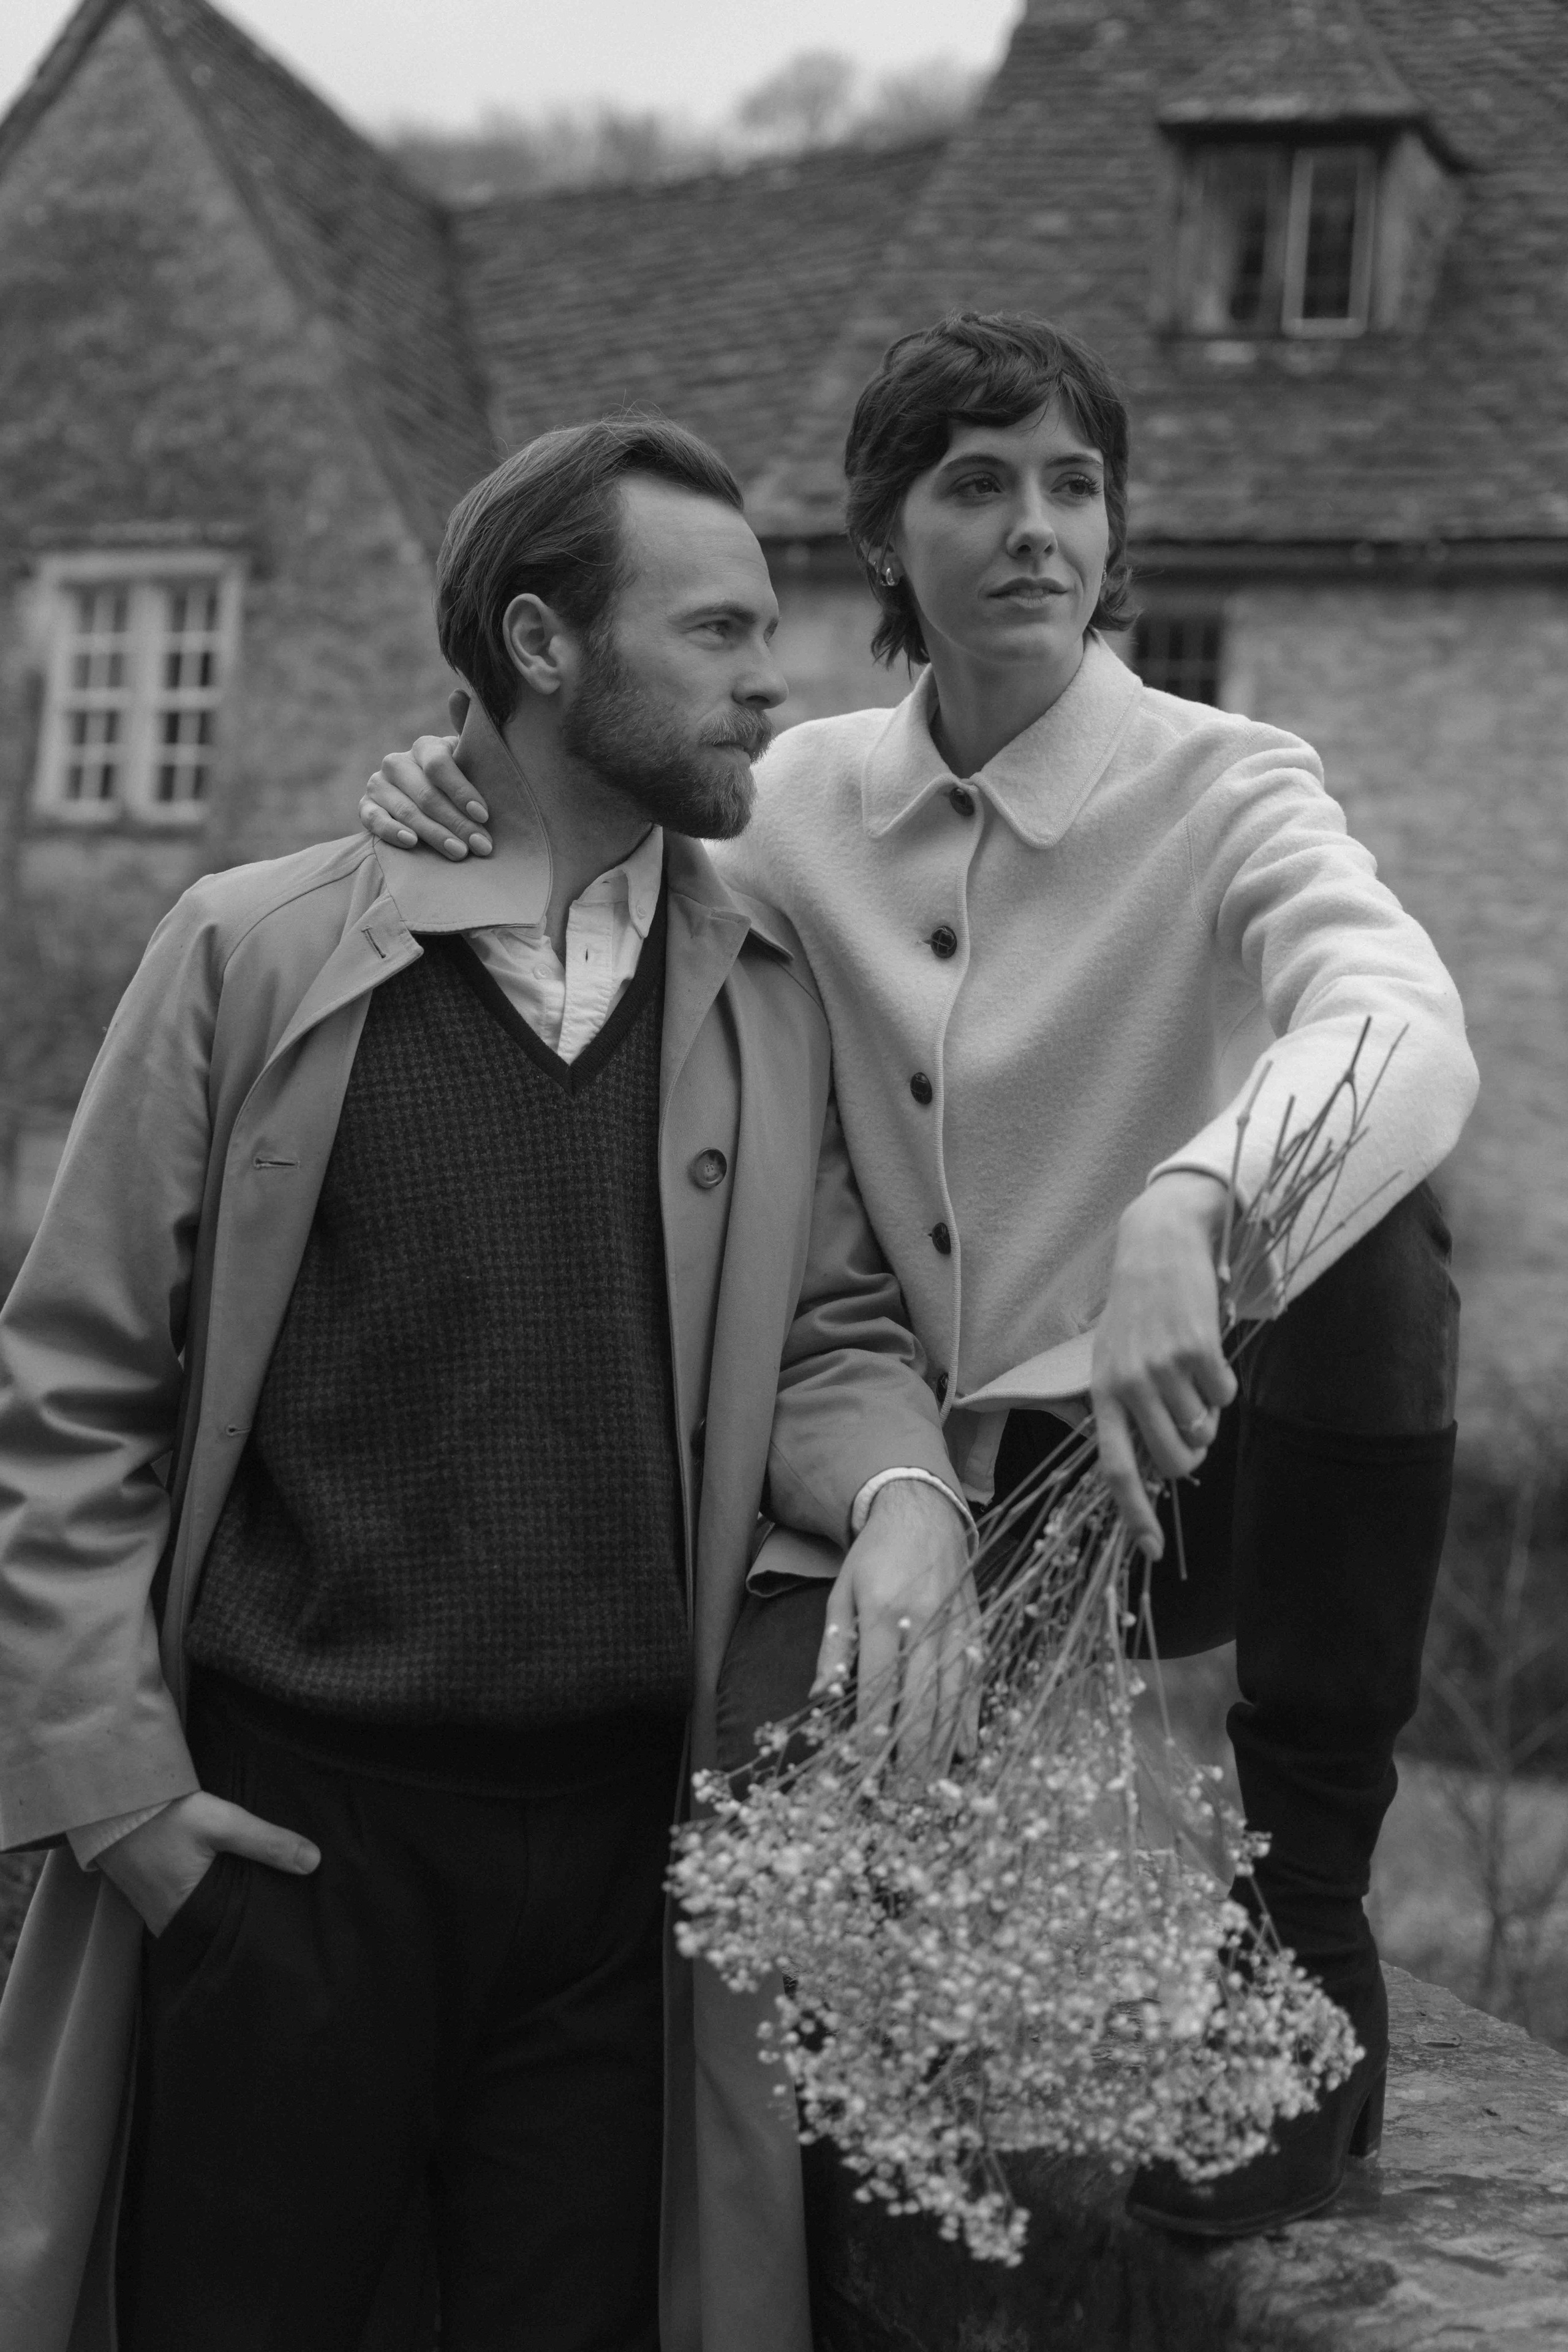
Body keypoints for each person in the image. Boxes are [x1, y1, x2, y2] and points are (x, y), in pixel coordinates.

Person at [361, 314, 1479, 2241]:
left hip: (1192, 1457)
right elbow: (589, 855)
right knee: (762, 1925)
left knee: (1386, 1232)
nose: (1037, 530)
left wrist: (1191, 1206)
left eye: (1074, 486)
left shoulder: (1230, 783)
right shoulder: (789, 802)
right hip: (909, 1490)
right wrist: (448, 783)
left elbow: (1405, 1023)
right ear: (887, 538)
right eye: (978, 485)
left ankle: (1304, 1926)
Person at [0, 418, 973, 2352]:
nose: (775, 681)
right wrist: (127, 1809)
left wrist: (907, 1496)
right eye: (717, 633)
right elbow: (72, 1399)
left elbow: (828, 1330)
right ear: (544, 646)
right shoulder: (248, 956)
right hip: (292, 1855)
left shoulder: (765, 981)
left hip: (626, 1882)